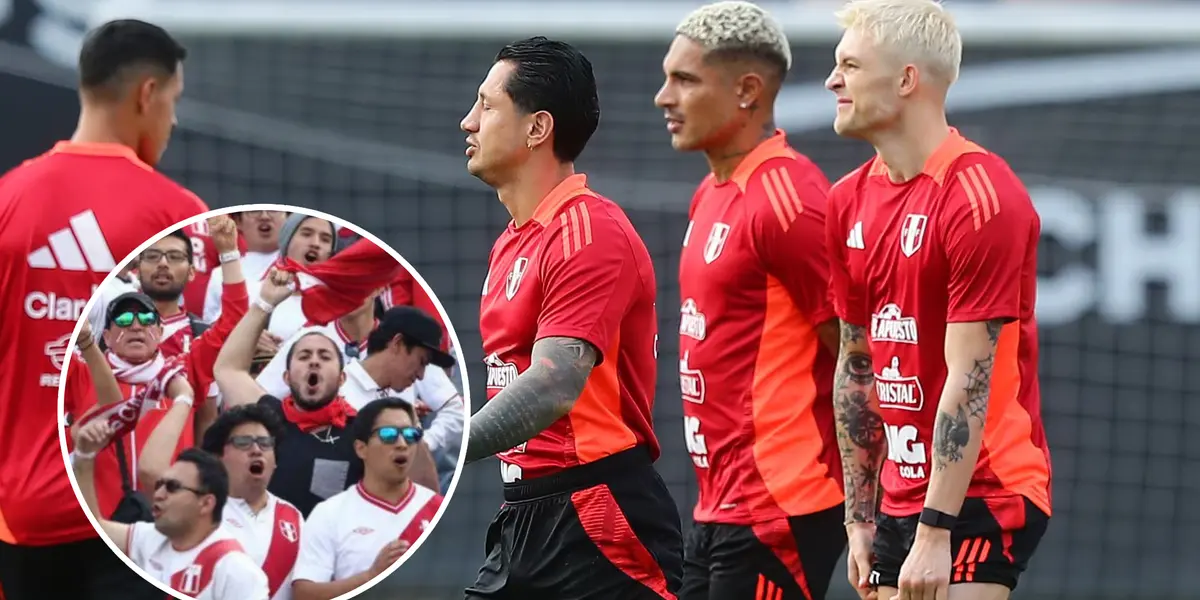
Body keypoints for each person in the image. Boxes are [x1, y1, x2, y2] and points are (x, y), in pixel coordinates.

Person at [823, 2, 1051, 600]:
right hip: (896, 498)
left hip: (980, 493)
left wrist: (934, 531)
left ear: (905, 80)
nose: (832, 80)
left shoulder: (980, 195)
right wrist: (859, 516)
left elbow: (968, 379)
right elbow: (856, 367)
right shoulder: (846, 201)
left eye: (850, 64)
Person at [460, 36, 684, 599]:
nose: (468, 122)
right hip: (523, 515)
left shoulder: (588, 229)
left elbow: (554, 385)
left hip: (597, 513)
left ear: (537, 128)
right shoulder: (512, 242)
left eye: (487, 105)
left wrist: (441, 447)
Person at [0, 18, 207, 600]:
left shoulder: (8, 199)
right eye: (173, 101)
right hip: (132, 518)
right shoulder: (175, 217)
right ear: (148, 93)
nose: (171, 120)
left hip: (21, 521)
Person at [654, 2, 846, 599]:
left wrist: (876, 501)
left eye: (685, 80)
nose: (664, 96)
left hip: (782, 501)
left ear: (747, 91)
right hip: (722, 505)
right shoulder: (711, 195)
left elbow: (855, 349)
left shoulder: (788, 199)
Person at [214, 270, 448, 513]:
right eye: (304, 356)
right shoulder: (270, 415)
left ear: (341, 377)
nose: (314, 362)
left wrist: (412, 431)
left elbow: (425, 501)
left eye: (324, 356)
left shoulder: (364, 433)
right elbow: (227, 370)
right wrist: (265, 302)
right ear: (286, 377)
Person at [73, 419, 270, 600]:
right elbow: (96, 525)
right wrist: (85, 456)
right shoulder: (151, 537)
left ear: (206, 503)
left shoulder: (237, 571)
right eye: (159, 485)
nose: (158, 494)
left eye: (172, 487)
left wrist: (182, 398)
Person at [292, 398, 441, 600]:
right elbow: (304, 594)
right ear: (361, 448)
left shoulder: (438, 509)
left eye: (410, 435)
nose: (402, 444)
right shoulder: (330, 514)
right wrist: (371, 576)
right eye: (388, 435)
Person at [200, 404, 304, 600]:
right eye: (243, 442)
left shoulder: (293, 517)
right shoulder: (200, 512)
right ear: (218, 457)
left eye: (265, 443)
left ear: (275, 461)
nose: (256, 450)